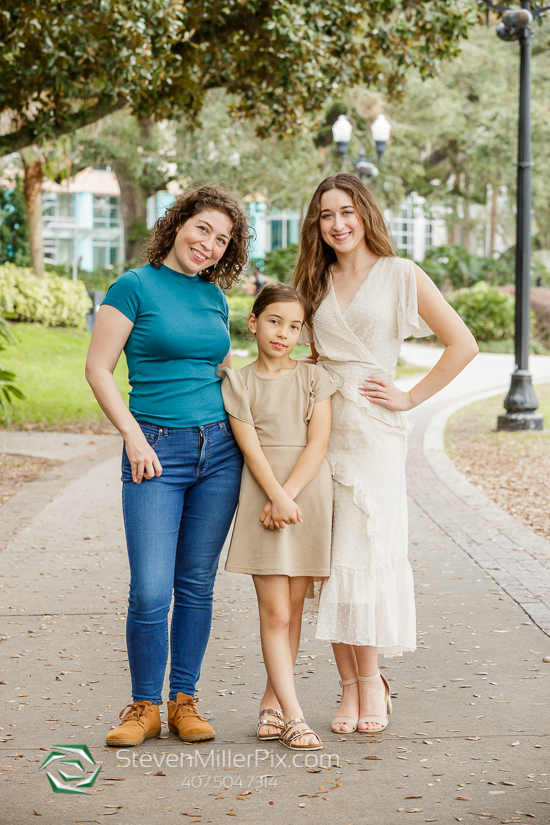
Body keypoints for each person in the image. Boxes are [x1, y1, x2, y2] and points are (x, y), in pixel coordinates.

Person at [293, 173, 478, 734]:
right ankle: (348, 687)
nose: (338, 223)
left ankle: (372, 683)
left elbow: (462, 344)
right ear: (316, 224)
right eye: (326, 215)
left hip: (374, 430)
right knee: (333, 561)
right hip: (325, 428)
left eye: (346, 211)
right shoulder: (315, 279)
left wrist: (409, 397)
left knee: (365, 554)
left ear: (365, 213)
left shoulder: (401, 275)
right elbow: (308, 356)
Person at [85, 184, 251, 747]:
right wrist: (133, 438)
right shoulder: (134, 287)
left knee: (196, 584)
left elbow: (223, 366)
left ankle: (183, 701)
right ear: (178, 224)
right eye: (202, 228)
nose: (209, 244)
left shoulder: (214, 299)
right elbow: (99, 369)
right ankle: (143, 707)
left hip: (220, 451)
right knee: (151, 589)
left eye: (222, 239)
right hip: (155, 450)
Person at [218, 283, 336, 750]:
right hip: (261, 496)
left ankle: (270, 703)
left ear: (303, 333)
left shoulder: (315, 379)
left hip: (306, 496)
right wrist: (273, 494)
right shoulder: (238, 382)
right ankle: (294, 715)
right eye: (273, 321)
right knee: (275, 611)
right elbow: (249, 446)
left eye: (293, 326)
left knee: (293, 613)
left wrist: (288, 496)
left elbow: (319, 443)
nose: (283, 333)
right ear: (253, 322)